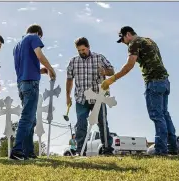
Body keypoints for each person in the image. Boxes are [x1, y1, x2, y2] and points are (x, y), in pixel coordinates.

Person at [101, 26, 178, 156]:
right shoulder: (149, 40)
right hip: (164, 81)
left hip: (153, 82)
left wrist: (112, 79)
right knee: (165, 114)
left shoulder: (134, 43)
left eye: (123, 39)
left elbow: (129, 65)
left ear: (128, 34)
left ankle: (160, 149)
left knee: (157, 116)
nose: (125, 43)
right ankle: (172, 147)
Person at [10, 24, 56, 160]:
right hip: (30, 83)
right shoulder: (34, 37)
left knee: (32, 119)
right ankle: (17, 150)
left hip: (22, 83)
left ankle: (28, 152)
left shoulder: (17, 45)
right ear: (38, 34)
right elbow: (39, 55)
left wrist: (42, 70)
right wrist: (51, 69)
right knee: (27, 117)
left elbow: (26, 65)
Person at [66, 37, 115, 156]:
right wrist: (67, 96)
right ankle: (80, 150)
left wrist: (104, 72)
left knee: (102, 122)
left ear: (88, 47)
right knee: (81, 123)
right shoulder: (73, 61)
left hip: (98, 97)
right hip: (81, 98)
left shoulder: (99, 57)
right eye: (79, 50)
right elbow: (69, 80)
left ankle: (107, 149)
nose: (81, 52)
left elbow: (112, 71)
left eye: (83, 49)